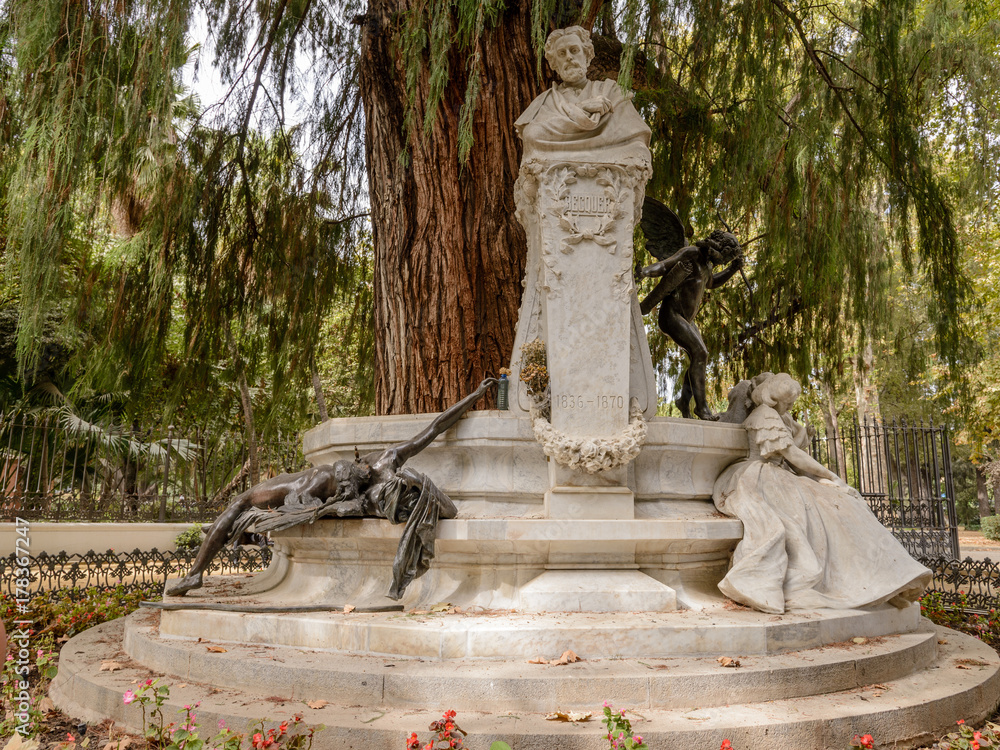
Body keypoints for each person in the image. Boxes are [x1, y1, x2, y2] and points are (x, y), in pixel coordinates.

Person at [166, 378, 499, 599]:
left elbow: (433, 431)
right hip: (301, 487)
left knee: (242, 501)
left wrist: (305, 506)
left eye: (345, 481)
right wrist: (475, 396)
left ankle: (197, 572)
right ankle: (214, 550)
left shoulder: (370, 487)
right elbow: (434, 427)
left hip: (298, 489)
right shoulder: (386, 459)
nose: (344, 476)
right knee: (243, 504)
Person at [713, 372, 931, 613]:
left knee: (838, 504)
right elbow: (794, 456)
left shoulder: (780, 417)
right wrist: (830, 476)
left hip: (780, 477)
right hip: (758, 478)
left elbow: (795, 454)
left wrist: (824, 479)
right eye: (789, 400)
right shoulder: (764, 415)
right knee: (814, 511)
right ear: (775, 398)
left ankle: (876, 577)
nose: (791, 405)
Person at [637, 207, 744, 420]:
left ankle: (684, 400)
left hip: (686, 318)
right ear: (720, 248)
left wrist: (732, 270)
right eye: (727, 257)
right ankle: (701, 408)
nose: (725, 262)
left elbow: (711, 283)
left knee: (698, 354)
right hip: (671, 314)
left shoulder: (707, 265)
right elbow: (664, 266)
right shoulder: (693, 253)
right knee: (700, 353)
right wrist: (644, 272)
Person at [514, 26, 651, 166]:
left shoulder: (611, 91)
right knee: (531, 134)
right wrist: (580, 108)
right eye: (562, 53)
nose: (568, 57)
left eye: (574, 50)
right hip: (581, 156)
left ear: (586, 55)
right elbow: (532, 135)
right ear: (554, 63)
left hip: (603, 151)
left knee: (638, 150)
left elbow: (636, 133)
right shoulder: (544, 100)